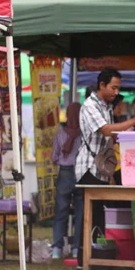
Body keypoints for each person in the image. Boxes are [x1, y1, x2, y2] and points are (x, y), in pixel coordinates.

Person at [76, 69, 135, 228]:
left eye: (118, 89)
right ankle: (88, 250)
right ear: (102, 85)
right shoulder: (90, 106)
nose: (116, 92)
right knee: (93, 215)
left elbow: (113, 136)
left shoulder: (107, 107)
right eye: (113, 88)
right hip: (90, 166)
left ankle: (97, 250)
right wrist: (134, 120)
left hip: (103, 167)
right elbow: (106, 130)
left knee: (99, 214)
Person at [51, 102, 83, 259]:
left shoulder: (60, 134)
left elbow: (54, 158)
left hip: (64, 173)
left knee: (61, 212)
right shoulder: (85, 135)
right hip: (81, 174)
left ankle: (57, 248)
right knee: (80, 213)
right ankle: (77, 248)